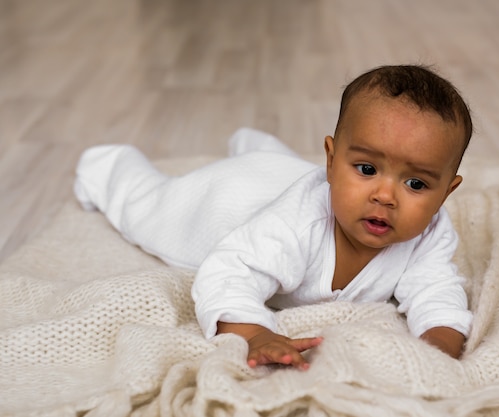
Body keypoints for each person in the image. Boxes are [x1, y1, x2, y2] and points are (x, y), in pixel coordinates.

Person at [73, 64, 474, 371]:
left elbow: (437, 293)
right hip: (230, 199)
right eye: (366, 169)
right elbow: (228, 273)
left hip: (284, 176)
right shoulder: (294, 224)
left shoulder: (430, 234)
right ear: (331, 161)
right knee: (148, 208)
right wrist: (253, 333)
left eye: (416, 185)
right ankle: (109, 165)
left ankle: (257, 146)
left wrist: (438, 345)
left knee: (281, 167)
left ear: (446, 192)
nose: (385, 196)